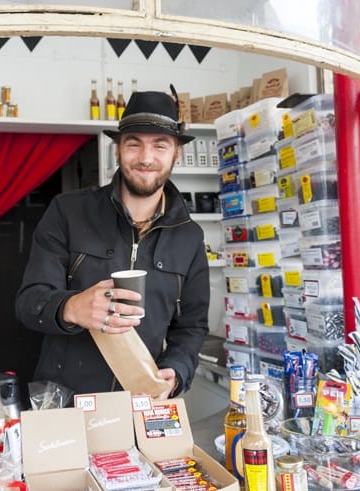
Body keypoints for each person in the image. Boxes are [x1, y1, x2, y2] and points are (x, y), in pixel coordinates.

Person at [15, 88, 210, 400]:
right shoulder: (67, 212)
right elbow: (28, 303)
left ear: (177, 154)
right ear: (118, 150)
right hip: (67, 402)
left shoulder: (190, 237)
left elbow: (192, 327)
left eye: (160, 146)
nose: (146, 158)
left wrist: (178, 370)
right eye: (134, 145)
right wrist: (71, 307)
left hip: (141, 403)